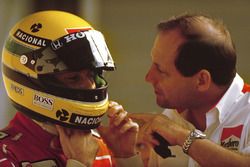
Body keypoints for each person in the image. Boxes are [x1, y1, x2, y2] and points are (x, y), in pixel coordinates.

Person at [106, 13, 250, 167]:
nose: (148, 77)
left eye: (161, 70)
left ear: (201, 80)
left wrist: (184, 138)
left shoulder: (171, 127)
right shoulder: (170, 118)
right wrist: (125, 155)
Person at [0, 10, 139, 167]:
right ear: (30, 81)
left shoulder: (102, 145)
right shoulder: (5, 154)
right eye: (73, 78)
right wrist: (79, 163)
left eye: (92, 74)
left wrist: (126, 157)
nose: (90, 85)